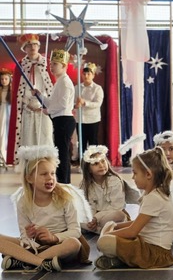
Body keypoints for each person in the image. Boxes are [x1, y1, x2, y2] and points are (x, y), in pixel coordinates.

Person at [0, 145, 88, 272]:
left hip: (60, 243)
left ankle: (24, 260)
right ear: (29, 178)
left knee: (74, 243)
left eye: (52, 173)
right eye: (43, 174)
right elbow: (24, 237)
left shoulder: (65, 198)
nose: (50, 178)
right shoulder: (23, 202)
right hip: (37, 246)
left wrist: (53, 237)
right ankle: (41, 262)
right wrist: (29, 236)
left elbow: (75, 231)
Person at [95, 147, 173, 269]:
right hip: (146, 245)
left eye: (135, 173)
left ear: (148, 174)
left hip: (155, 253)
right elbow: (138, 223)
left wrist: (108, 235)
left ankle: (119, 259)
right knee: (110, 225)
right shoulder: (153, 194)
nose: (133, 177)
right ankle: (120, 259)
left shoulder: (154, 198)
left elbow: (132, 231)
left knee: (104, 242)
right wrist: (116, 226)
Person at [33, 49, 75, 184]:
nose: (51, 67)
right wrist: (39, 95)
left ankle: (63, 181)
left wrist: (48, 111)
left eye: (55, 64)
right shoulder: (59, 82)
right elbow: (52, 102)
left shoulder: (65, 82)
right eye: (51, 64)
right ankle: (63, 180)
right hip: (60, 120)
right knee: (61, 152)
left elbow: (62, 104)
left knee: (62, 153)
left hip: (64, 120)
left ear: (64, 66)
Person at [11, 33, 53, 163]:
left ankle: (46, 165)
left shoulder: (46, 63)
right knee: (28, 139)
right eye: (29, 45)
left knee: (45, 137)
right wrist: (26, 102)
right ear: (25, 48)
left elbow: (51, 87)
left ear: (39, 46)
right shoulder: (20, 65)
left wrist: (44, 105)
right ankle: (29, 167)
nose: (32, 47)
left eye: (35, 44)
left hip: (44, 108)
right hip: (27, 107)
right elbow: (17, 90)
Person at [79, 145, 140, 234]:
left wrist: (97, 217)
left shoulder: (115, 181)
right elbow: (88, 206)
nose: (101, 165)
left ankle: (99, 230)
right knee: (77, 218)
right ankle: (101, 230)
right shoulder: (85, 185)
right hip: (96, 218)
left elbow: (117, 207)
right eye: (96, 164)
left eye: (103, 161)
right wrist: (91, 219)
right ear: (88, 169)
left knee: (119, 215)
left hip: (111, 215)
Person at [75, 62, 104, 151]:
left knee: (93, 142)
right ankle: (82, 158)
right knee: (81, 142)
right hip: (80, 119)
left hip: (92, 120)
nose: (86, 76)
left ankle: (93, 159)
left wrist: (85, 103)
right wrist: (75, 105)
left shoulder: (97, 88)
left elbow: (98, 103)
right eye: (84, 74)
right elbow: (72, 101)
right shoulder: (77, 88)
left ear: (93, 75)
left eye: (88, 74)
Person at [0, 68, 11, 162]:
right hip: (1, 112)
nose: (4, 81)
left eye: (6, 79)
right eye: (2, 79)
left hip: (9, 112)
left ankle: (6, 155)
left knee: (7, 133)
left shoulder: (12, 91)